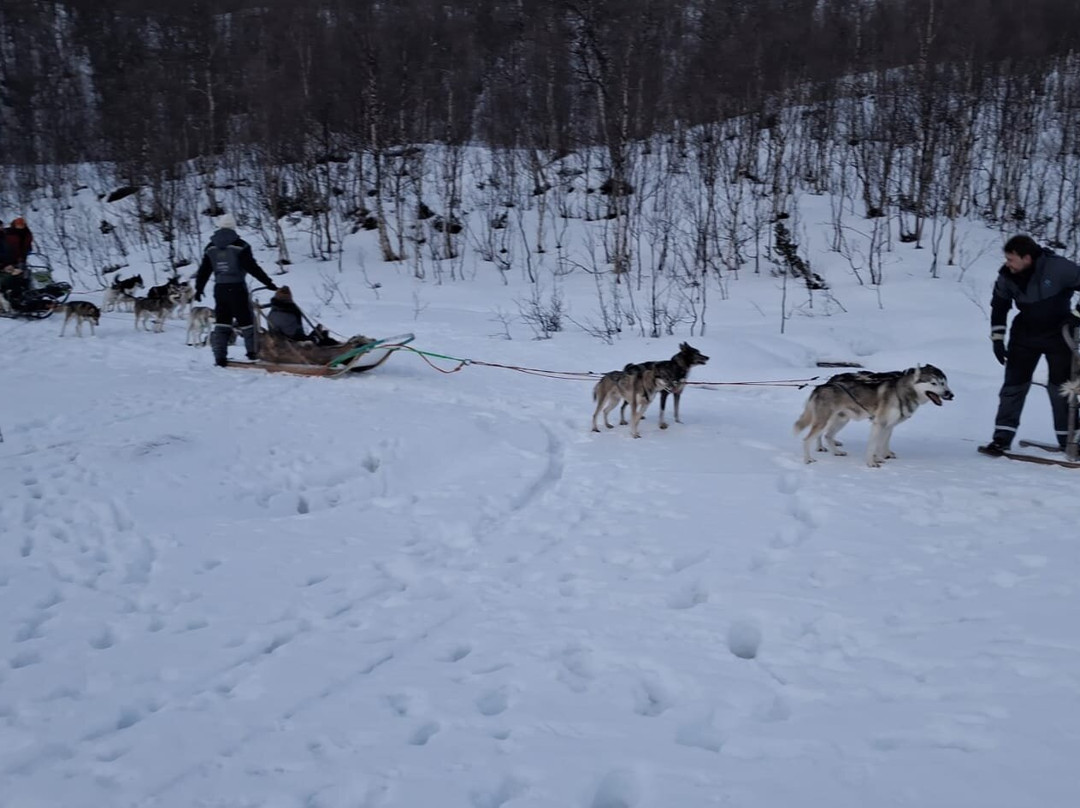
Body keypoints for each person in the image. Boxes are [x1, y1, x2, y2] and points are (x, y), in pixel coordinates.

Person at [980, 235, 1080, 455]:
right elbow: (1000, 304)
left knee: (1061, 389)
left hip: (1060, 334)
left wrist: (1077, 315)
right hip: (1024, 334)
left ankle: (1071, 441)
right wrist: (997, 338)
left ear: (1027, 258)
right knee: (1013, 387)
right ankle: (1001, 439)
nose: (1007, 263)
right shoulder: (1007, 275)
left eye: (1011, 259)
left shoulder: (1059, 268)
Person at [194, 213, 278, 367]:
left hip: (220, 289)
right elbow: (252, 267)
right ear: (233, 227)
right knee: (246, 321)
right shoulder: (240, 245)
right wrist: (268, 282)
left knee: (222, 322)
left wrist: (199, 288)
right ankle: (252, 353)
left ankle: (219, 357)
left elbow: (204, 270)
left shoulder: (210, 247)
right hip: (237, 287)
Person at [265, 286, 341, 346]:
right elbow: (293, 334)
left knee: (320, 332)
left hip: (288, 338)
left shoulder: (274, 311)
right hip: (293, 341)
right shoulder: (288, 312)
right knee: (321, 337)